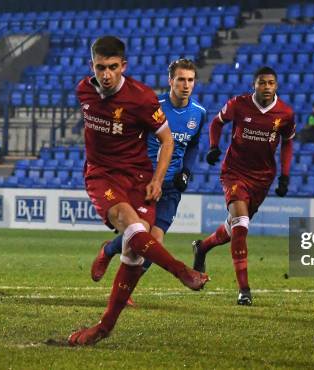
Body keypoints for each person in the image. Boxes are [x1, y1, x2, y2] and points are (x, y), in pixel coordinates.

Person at [67, 36, 209, 346]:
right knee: (135, 229)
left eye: (113, 67)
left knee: (135, 249)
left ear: (124, 67)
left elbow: (169, 141)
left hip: (141, 177)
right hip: (102, 176)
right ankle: (181, 270)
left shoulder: (142, 99)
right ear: (92, 66)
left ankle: (104, 326)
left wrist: (158, 179)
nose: (106, 74)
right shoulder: (83, 90)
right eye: (101, 67)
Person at [90, 58, 207, 305]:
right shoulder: (153, 106)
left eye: (190, 80)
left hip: (172, 186)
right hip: (146, 181)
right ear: (170, 81)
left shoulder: (199, 113)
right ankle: (108, 252)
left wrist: (187, 171)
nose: (186, 85)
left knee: (155, 241)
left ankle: (123, 283)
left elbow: (194, 145)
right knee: (141, 234)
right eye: (181, 80)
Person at [191, 66, 295, 306]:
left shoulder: (285, 113)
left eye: (270, 83)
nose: (266, 87)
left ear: (276, 85)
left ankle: (203, 247)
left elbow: (288, 143)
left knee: (234, 227)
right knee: (241, 226)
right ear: (254, 85)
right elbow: (216, 123)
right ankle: (244, 289)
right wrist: (214, 146)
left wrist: (285, 176)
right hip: (235, 172)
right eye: (262, 83)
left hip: (263, 178)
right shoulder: (238, 104)